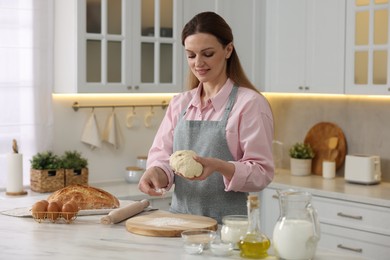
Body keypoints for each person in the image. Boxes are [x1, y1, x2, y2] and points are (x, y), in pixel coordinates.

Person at [138, 11, 274, 223]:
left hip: (228, 229)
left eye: (207, 54)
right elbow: (163, 157)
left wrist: (220, 166)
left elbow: (262, 173)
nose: (198, 63)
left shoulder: (249, 104)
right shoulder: (180, 103)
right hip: (180, 224)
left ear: (228, 50)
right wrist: (156, 173)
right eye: (191, 55)